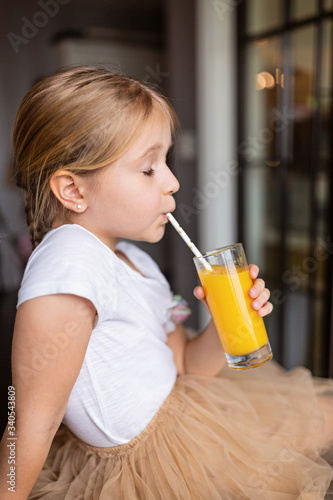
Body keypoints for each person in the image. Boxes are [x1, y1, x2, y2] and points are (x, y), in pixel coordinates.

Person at [0, 66, 332, 500]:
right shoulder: (69, 268)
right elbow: (27, 425)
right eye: (148, 169)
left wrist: (223, 323)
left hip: (186, 411)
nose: (172, 181)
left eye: (166, 162)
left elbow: (187, 366)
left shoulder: (136, 260)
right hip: (150, 464)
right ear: (73, 190)